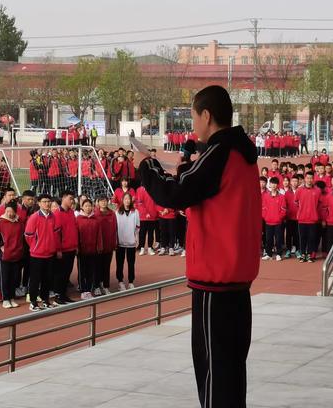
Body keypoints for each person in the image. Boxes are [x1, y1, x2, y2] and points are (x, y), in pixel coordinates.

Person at [139, 85, 261, 408]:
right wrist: (185, 164)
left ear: (206, 115)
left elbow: (176, 194)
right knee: (231, 375)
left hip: (215, 284)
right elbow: (199, 184)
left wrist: (146, 166)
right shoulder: (240, 153)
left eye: (194, 117)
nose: (193, 126)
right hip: (236, 283)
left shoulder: (220, 154)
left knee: (212, 375)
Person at [25, 194, 61, 311]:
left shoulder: (53, 217)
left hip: (50, 254)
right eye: (44, 201)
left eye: (48, 201)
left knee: (47, 278)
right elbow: (28, 235)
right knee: (35, 279)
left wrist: (53, 248)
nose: (47, 204)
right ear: (39, 203)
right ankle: (33, 302)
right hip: (37, 255)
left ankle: (45, 300)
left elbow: (56, 234)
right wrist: (36, 247)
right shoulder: (34, 217)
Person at [53, 191, 78, 304]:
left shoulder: (71, 212)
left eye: (73, 199)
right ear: (63, 198)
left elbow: (75, 230)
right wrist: (58, 249)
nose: (72, 201)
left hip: (71, 248)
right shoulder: (57, 214)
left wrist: (76, 245)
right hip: (62, 250)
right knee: (60, 273)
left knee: (67, 273)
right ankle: (58, 295)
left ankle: (63, 294)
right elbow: (56, 233)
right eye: (70, 198)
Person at [0, 201, 24, 308]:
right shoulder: (0, 222)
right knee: (5, 278)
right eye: (7, 211)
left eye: (11, 211)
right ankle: (6, 299)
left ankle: (12, 298)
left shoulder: (19, 222)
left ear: (15, 211)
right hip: (4, 256)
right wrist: (1, 246)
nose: (9, 213)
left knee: (14, 278)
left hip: (17, 254)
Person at [76, 199, 103, 299]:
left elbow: (99, 234)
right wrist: (77, 247)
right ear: (82, 207)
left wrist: (99, 246)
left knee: (91, 271)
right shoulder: (78, 219)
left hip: (93, 250)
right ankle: (83, 290)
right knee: (82, 271)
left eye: (89, 206)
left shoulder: (96, 219)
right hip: (82, 251)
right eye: (86, 206)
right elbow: (76, 235)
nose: (88, 208)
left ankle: (88, 289)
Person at [295, 171, 322, 262]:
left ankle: (310, 254)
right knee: (302, 238)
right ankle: (303, 254)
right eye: (308, 178)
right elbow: (296, 202)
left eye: (311, 178)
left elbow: (319, 204)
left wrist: (313, 211)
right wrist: (302, 210)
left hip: (313, 219)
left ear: (313, 179)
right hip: (302, 219)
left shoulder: (317, 191)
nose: (309, 180)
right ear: (305, 179)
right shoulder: (299, 190)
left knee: (312, 238)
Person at [115, 192, 140, 291]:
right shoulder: (117, 212)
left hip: (131, 241)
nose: (127, 201)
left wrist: (136, 238)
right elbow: (115, 227)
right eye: (125, 199)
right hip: (120, 241)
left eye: (129, 199)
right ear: (122, 200)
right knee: (119, 263)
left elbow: (137, 226)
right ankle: (120, 282)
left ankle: (131, 282)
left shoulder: (135, 212)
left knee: (131, 263)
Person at [94, 196, 118, 295]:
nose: (103, 203)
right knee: (97, 266)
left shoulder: (112, 214)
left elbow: (115, 229)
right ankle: (96, 286)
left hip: (109, 244)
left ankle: (106, 286)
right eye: (101, 201)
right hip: (98, 245)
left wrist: (115, 242)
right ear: (98, 202)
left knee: (106, 266)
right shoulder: (95, 214)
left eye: (105, 201)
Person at [261, 177, 287, 261]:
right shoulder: (265, 196)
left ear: (277, 185)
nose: (273, 185)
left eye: (275, 184)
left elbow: (284, 210)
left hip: (278, 222)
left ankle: (279, 254)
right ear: (270, 185)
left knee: (278, 239)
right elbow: (263, 208)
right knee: (268, 239)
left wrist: (279, 218)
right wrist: (266, 217)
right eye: (272, 183)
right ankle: (269, 254)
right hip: (268, 222)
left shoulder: (282, 197)